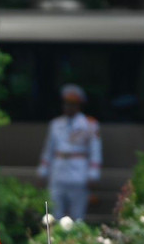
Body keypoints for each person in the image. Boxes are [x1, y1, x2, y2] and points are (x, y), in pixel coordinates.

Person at [36, 84, 101, 223]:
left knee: (77, 215)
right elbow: (49, 149)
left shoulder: (89, 124)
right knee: (55, 213)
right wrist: (43, 169)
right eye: (66, 104)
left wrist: (93, 172)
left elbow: (95, 150)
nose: (68, 107)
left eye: (72, 104)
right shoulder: (55, 124)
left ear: (79, 105)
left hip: (79, 172)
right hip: (58, 171)